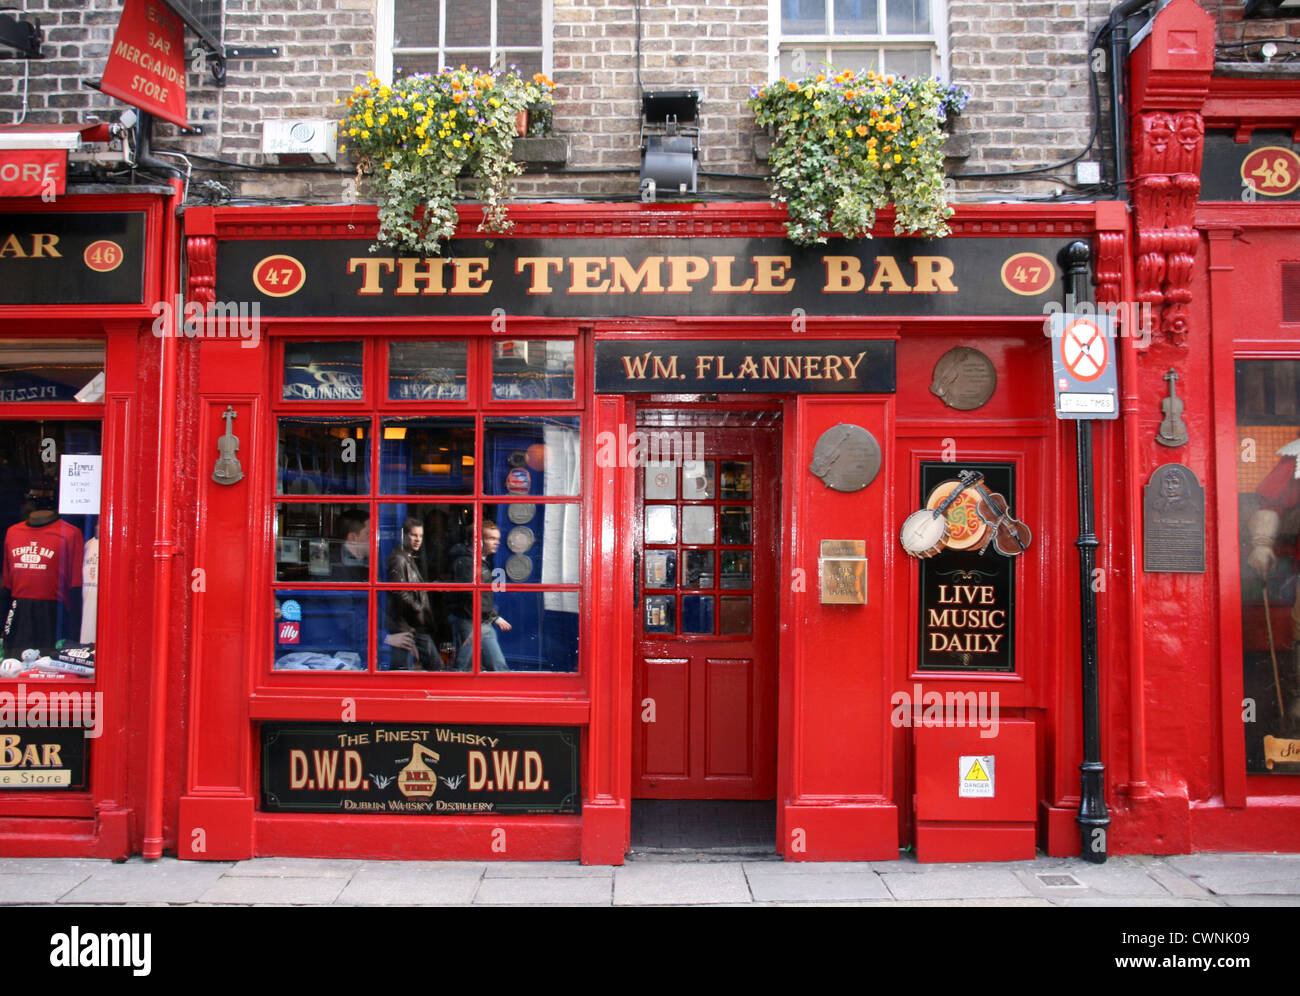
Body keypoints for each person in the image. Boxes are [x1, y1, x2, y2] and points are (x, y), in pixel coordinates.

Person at [448, 519, 512, 671]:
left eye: (497, 539)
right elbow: (473, 595)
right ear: (478, 541)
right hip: (469, 620)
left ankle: (504, 691)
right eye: (491, 538)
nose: (496, 543)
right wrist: (493, 616)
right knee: (465, 666)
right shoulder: (467, 563)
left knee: (495, 664)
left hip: (480, 621)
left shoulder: (479, 562)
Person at [385, 516, 438, 670]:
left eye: (420, 536)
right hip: (406, 625)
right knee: (434, 667)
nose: (418, 540)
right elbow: (398, 590)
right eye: (414, 535)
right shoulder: (398, 559)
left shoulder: (407, 557)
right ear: (404, 535)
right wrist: (418, 608)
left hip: (412, 625)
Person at [331, 508, 370, 581]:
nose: (376, 539)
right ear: (352, 537)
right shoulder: (336, 567)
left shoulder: (361, 561)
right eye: (368, 533)